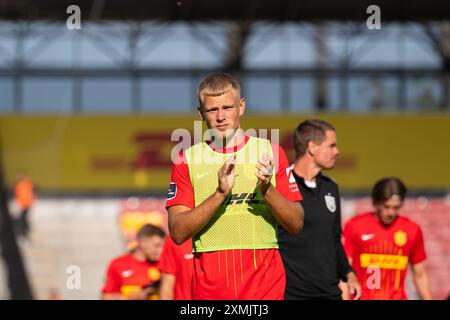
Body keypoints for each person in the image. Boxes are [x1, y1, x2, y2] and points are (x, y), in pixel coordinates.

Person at [165, 73, 304, 300]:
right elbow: (178, 232)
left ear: (241, 106)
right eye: (212, 110)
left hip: (265, 288)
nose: (221, 117)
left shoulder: (270, 152)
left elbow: (296, 224)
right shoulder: (186, 160)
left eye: (228, 107)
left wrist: (267, 189)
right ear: (200, 113)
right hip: (210, 292)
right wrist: (219, 195)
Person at [278, 119, 361, 300]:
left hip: (329, 294)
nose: (337, 151)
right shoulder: (281, 185)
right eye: (331, 146)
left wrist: (348, 273)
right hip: (291, 295)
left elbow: (334, 238)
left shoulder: (331, 187)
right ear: (312, 147)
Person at [342, 177, 432, 300]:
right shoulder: (355, 226)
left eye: (396, 207)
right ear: (375, 202)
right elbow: (344, 270)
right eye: (386, 206)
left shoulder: (412, 230)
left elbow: (420, 274)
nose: (390, 212)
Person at [101, 224, 166, 300]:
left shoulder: (164, 264)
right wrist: (128, 298)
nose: (161, 250)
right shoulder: (118, 264)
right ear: (142, 243)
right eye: (157, 245)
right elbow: (106, 296)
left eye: (163, 246)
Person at [14, 173, 35, 238]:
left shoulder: (23, 184)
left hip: (25, 203)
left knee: (23, 218)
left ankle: (24, 230)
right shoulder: (24, 184)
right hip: (24, 203)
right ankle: (24, 229)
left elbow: (31, 193)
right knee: (23, 218)